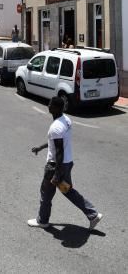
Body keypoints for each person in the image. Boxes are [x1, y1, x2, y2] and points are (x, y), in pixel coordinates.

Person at [27, 96, 103, 230]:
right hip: (67, 163)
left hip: (55, 166)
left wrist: (56, 174)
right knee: (68, 191)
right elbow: (56, 143)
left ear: (55, 108)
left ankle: (42, 220)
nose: (48, 106)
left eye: (50, 104)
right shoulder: (66, 120)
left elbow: (59, 151)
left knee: (46, 194)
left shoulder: (55, 127)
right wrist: (40, 147)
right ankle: (93, 214)